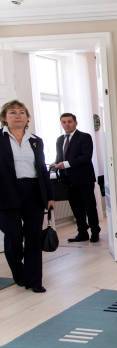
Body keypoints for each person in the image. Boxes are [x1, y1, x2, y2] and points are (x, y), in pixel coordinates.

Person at [0, 100, 54, 293]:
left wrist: (49, 195)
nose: (17, 115)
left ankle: (35, 281)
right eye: (12, 112)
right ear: (5, 118)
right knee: (14, 237)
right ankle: (19, 272)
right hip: (6, 193)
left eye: (22, 112)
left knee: (33, 238)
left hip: (33, 192)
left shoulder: (36, 140)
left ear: (27, 118)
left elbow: (42, 169)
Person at [51, 113, 100, 243]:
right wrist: (55, 165)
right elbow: (59, 157)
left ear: (75, 122)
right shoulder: (60, 139)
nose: (67, 124)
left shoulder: (84, 137)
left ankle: (95, 231)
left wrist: (65, 164)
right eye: (64, 122)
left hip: (84, 179)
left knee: (89, 206)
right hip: (68, 180)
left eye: (69, 121)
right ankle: (82, 233)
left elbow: (86, 157)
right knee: (76, 208)